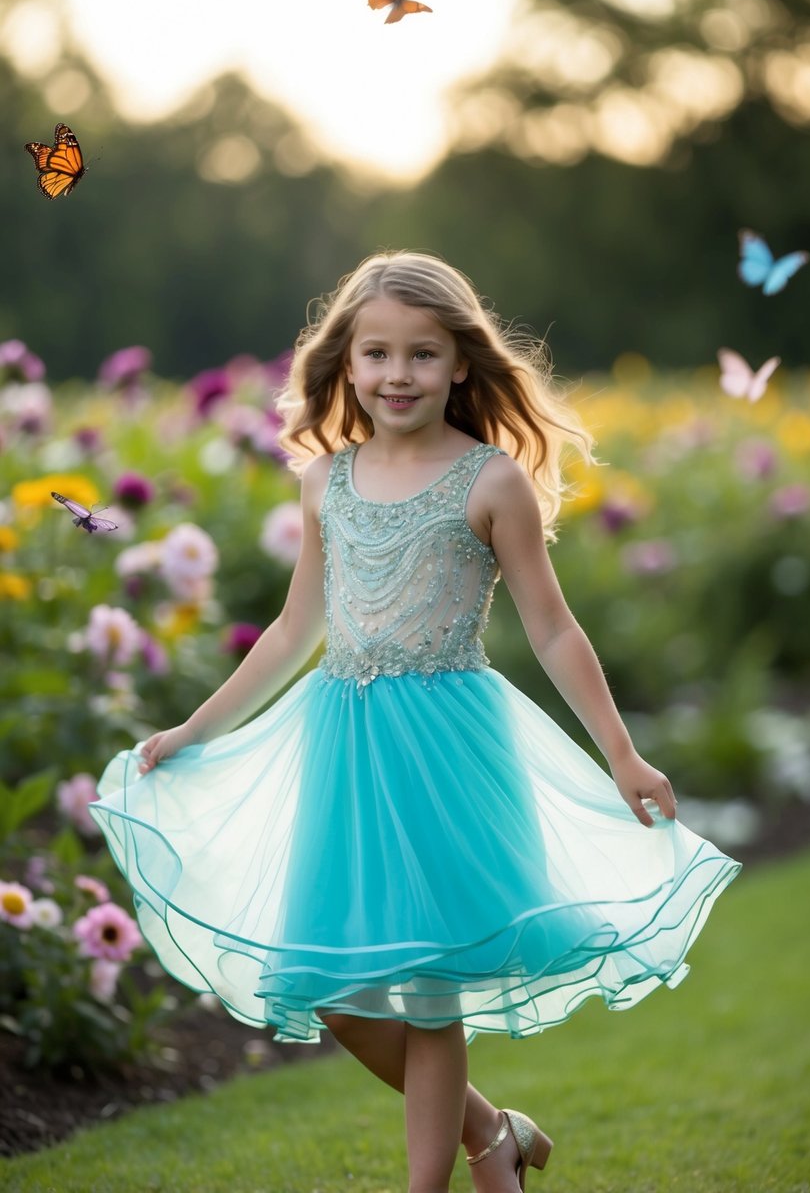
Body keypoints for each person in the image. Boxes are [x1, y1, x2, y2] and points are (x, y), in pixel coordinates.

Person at [92, 250, 741, 1193]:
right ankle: (498, 1133)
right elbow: (291, 628)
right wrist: (195, 728)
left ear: (461, 365)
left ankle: (437, 1183)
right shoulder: (324, 480)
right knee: (331, 993)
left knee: (433, 1001)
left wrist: (622, 756)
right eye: (379, 355)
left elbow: (554, 630)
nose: (399, 375)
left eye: (423, 355)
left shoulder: (491, 483)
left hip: (451, 756)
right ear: (345, 366)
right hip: (343, 754)